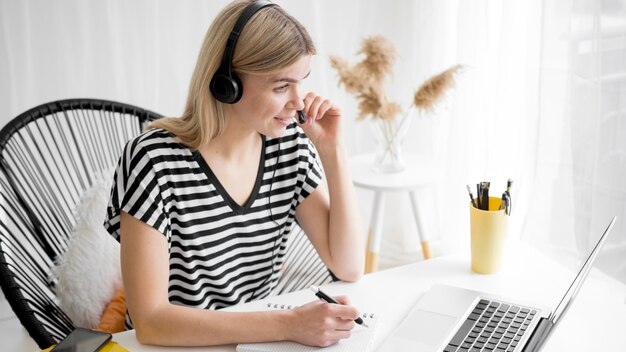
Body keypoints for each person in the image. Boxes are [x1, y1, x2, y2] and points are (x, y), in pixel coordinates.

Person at [104, 0, 365, 347]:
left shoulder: (288, 148)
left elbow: (348, 267)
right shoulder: (153, 160)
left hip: (255, 341)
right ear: (225, 83)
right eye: (281, 86)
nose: (299, 103)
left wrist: (333, 151)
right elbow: (152, 321)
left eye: (301, 82)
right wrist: (290, 324)